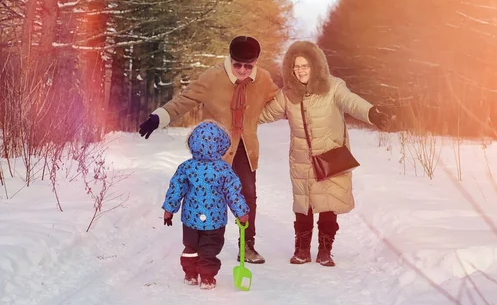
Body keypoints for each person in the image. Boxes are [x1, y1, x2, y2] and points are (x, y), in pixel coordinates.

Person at [139, 36, 280, 264]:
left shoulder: (263, 79)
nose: (243, 70)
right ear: (230, 60)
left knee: (248, 197)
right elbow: (186, 99)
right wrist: (159, 117)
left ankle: (247, 246)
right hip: (212, 151)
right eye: (237, 65)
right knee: (206, 196)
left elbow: (281, 102)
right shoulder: (213, 77)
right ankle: (201, 247)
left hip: (245, 147)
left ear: (256, 62)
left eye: (248, 65)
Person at [259, 40, 389, 267]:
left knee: (329, 206)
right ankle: (301, 250)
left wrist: (372, 113)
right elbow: (267, 114)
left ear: (316, 66)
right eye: (296, 66)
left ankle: (325, 250)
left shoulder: (333, 87)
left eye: (305, 66)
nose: (300, 70)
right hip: (301, 160)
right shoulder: (287, 95)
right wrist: (240, 117)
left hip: (330, 158)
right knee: (303, 206)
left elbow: (351, 102)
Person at [162, 121, 250, 289]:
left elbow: (176, 189)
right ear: (221, 146)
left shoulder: (186, 167)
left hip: (190, 219)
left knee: (191, 247)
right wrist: (241, 212)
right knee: (210, 247)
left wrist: (169, 209)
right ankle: (207, 277)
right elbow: (233, 193)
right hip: (214, 220)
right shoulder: (224, 169)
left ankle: (190, 274)